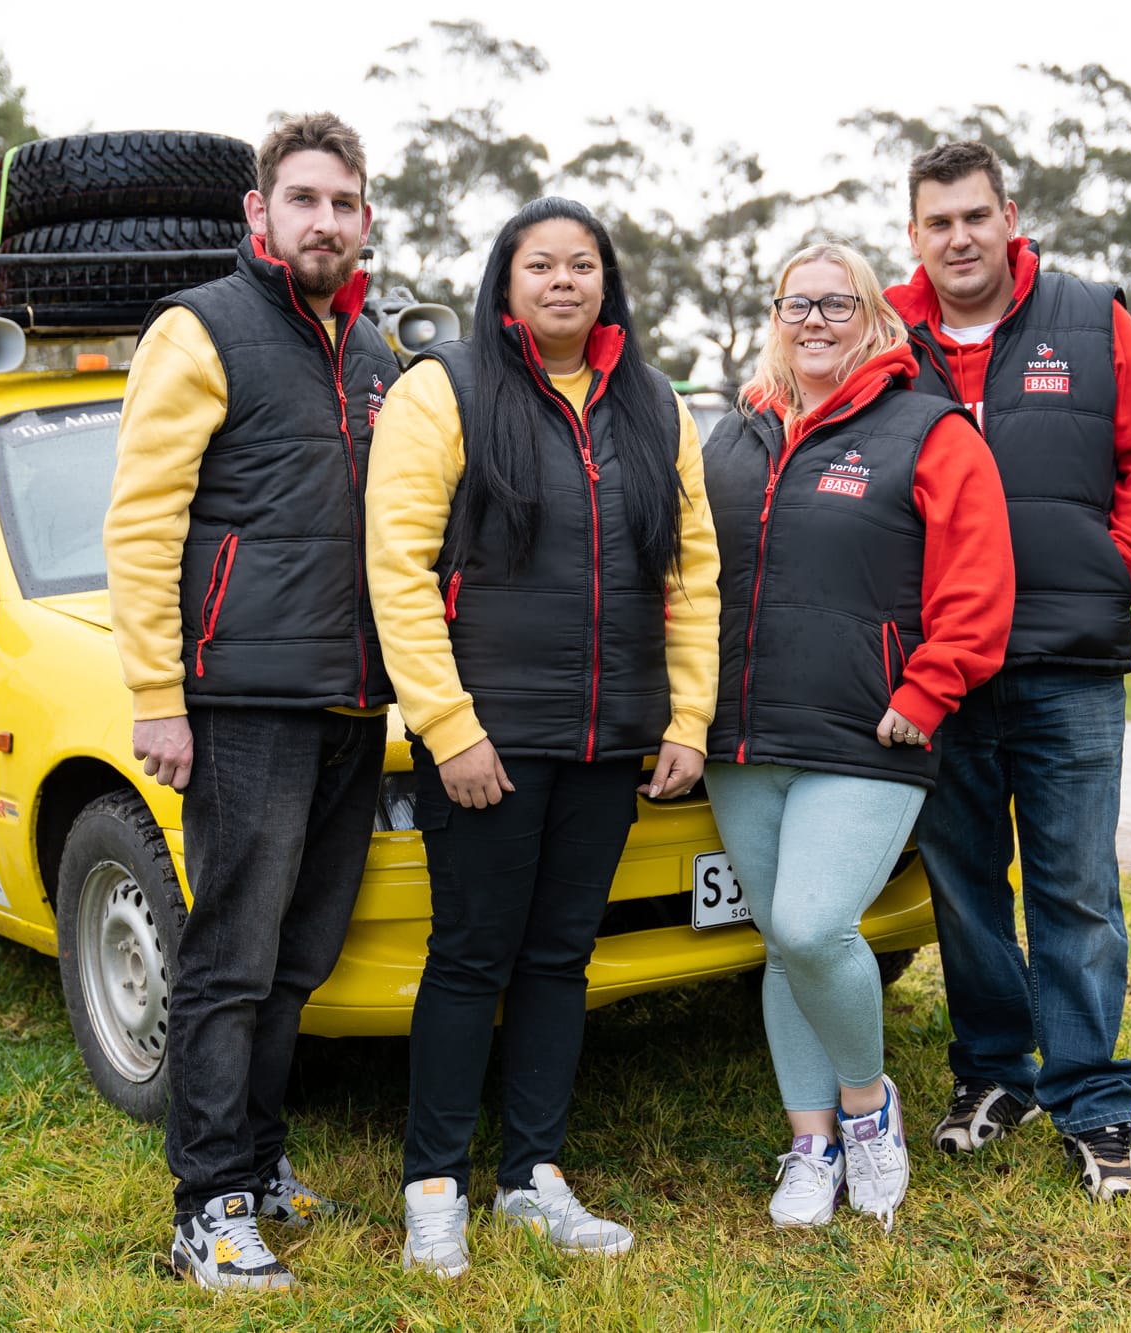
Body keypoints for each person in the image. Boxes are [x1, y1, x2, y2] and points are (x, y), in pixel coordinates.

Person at [366, 196, 720, 1277]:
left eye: (582, 265)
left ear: (606, 282)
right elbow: (397, 568)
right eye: (539, 265)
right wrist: (449, 727)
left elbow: (690, 573)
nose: (563, 281)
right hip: (485, 744)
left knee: (561, 959)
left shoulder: (656, 407)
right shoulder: (444, 391)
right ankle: (435, 1186)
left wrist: (685, 716)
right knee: (470, 958)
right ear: (504, 281)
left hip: (609, 741)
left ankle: (533, 1176)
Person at [103, 112, 399, 1291]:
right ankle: (206, 1209)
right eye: (302, 199)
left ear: (363, 217)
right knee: (230, 956)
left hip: (350, 701)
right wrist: (155, 695)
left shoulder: (373, 350)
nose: (322, 220)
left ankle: (262, 1160)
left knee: (297, 957)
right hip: (241, 703)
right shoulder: (201, 328)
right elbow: (140, 522)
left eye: (342, 202)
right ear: (258, 214)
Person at [887, 141, 1131, 1202]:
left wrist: (1116, 567)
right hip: (937, 671)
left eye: (975, 217)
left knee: (1074, 891)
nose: (959, 238)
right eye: (937, 222)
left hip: (1068, 666)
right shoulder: (886, 331)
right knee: (963, 888)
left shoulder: (1089, 319)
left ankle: (1092, 1103)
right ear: (912, 232)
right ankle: (988, 1075)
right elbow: (807, 392)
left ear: (1008, 216)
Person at [701, 243, 1014, 1229]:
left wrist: (924, 692)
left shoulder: (926, 430)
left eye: (837, 303)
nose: (815, 320)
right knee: (780, 944)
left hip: (865, 735)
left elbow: (977, 586)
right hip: (738, 737)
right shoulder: (733, 436)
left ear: (872, 316)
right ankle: (808, 1147)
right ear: (775, 316)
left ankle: (868, 1108)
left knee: (809, 925)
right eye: (797, 303)